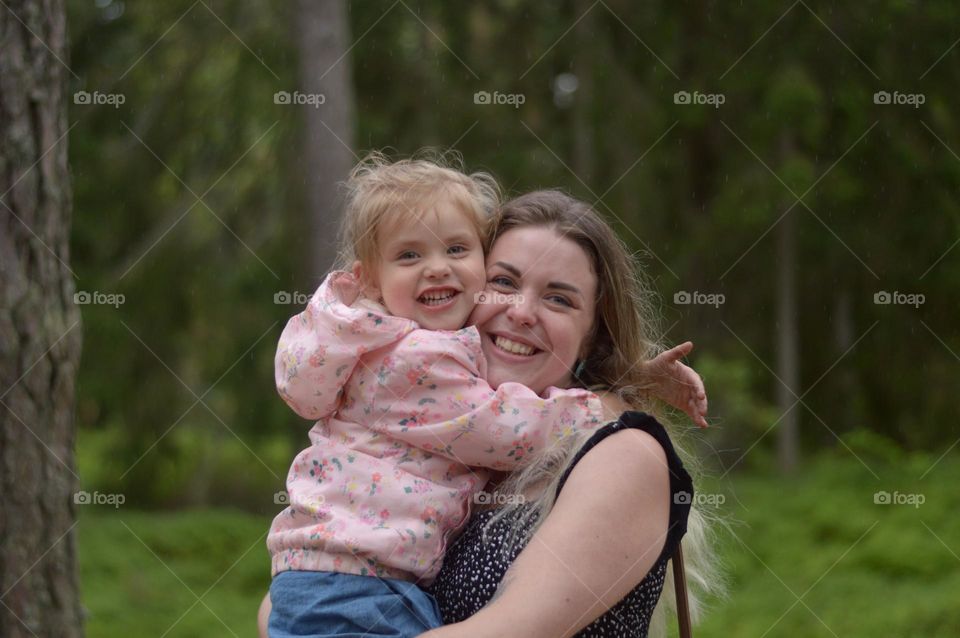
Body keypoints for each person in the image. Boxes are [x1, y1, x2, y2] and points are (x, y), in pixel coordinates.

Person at [265, 155, 708, 637]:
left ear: (593, 338)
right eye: (504, 282)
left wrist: (618, 389)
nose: (520, 312)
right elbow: (277, 608)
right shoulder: (464, 438)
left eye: (559, 298)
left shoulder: (623, 453)